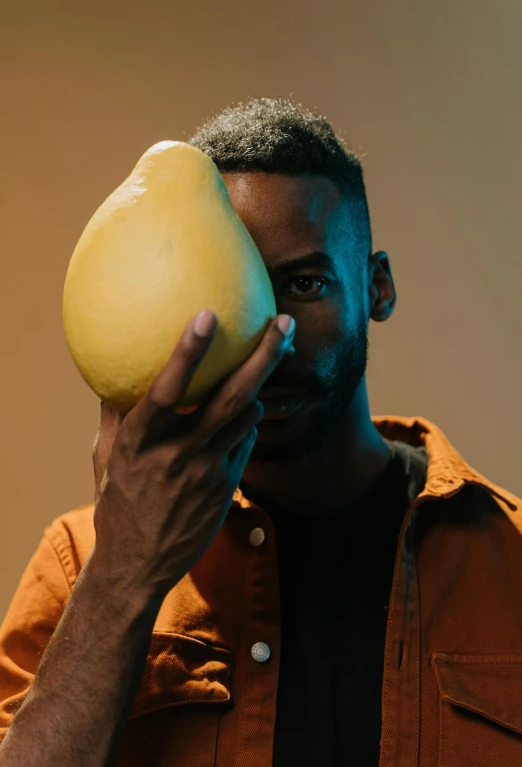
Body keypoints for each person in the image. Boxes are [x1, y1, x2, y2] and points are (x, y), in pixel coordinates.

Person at [0, 98, 521, 767]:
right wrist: (122, 575)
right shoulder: (81, 560)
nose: (266, 338)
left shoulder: (510, 558)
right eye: (231, 289)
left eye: (304, 283)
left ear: (377, 287)